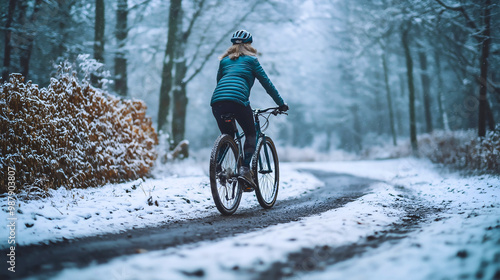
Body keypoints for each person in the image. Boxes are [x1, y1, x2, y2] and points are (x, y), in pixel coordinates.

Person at [211, 29, 288, 191]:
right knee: (251, 134)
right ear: (249, 45)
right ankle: (245, 169)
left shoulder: (224, 61)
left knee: (229, 135)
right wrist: (281, 104)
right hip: (238, 101)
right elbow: (267, 84)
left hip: (217, 101)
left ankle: (216, 165)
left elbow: (220, 82)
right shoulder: (252, 61)